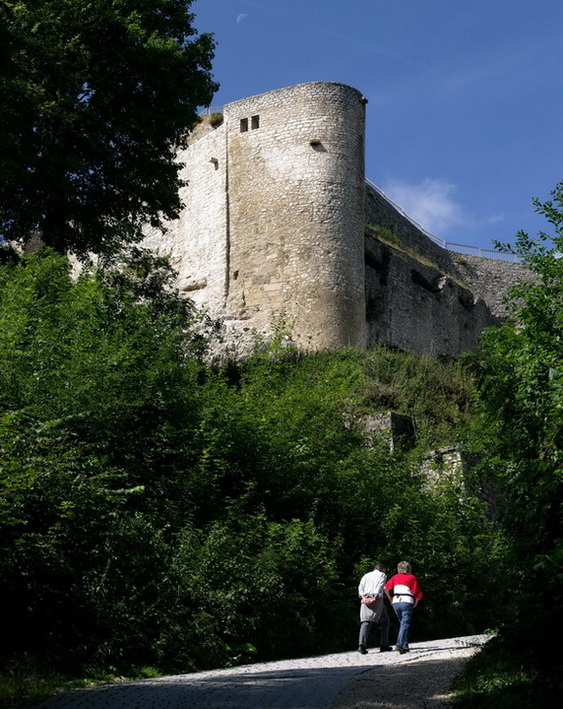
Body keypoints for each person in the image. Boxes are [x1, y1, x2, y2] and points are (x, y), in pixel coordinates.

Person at [384, 560, 423, 654]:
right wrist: (416, 602)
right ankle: (399, 644)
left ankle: (405, 646)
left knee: (402, 623)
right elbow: (418, 593)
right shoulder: (412, 578)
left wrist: (390, 599)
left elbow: (385, 588)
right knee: (405, 624)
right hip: (407, 601)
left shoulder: (395, 577)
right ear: (409, 569)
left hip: (396, 602)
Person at [357, 563, 392, 654]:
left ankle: (363, 644)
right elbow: (380, 586)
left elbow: (361, 587)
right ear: (383, 569)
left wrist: (363, 597)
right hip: (376, 598)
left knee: (367, 621)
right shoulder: (382, 575)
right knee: (371, 621)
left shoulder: (366, 575)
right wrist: (375, 598)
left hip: (365, 597)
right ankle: (380, 645)